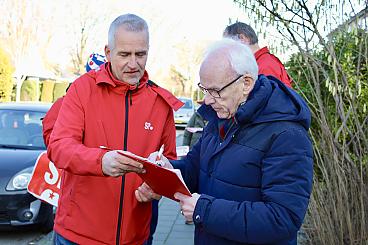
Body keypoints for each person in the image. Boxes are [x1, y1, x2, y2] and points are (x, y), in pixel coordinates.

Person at [148, 38, 313, 244]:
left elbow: (282, 218)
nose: (207, 100)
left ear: (246, 83)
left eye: (215, 91)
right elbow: (194, 168)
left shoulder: (287, 135)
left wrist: (204, 210)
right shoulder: (220, 117)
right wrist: (165, 169)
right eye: (204, 89)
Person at [46, 14, 183, 245]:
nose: (133, 63)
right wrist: (100, 161)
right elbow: (59, 146)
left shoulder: (160, 103)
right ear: (108, 53)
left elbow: (169, 161)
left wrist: (157, 186)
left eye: (140, 54)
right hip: (77, 235)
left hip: (135, 236)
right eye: (124, 55)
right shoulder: (82, 89)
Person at [223, 22, 293, 88]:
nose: (229, 51)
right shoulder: (262, 62)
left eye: (229, 44)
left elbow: (272, 99)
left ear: (242, 38)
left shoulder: (265, 66)